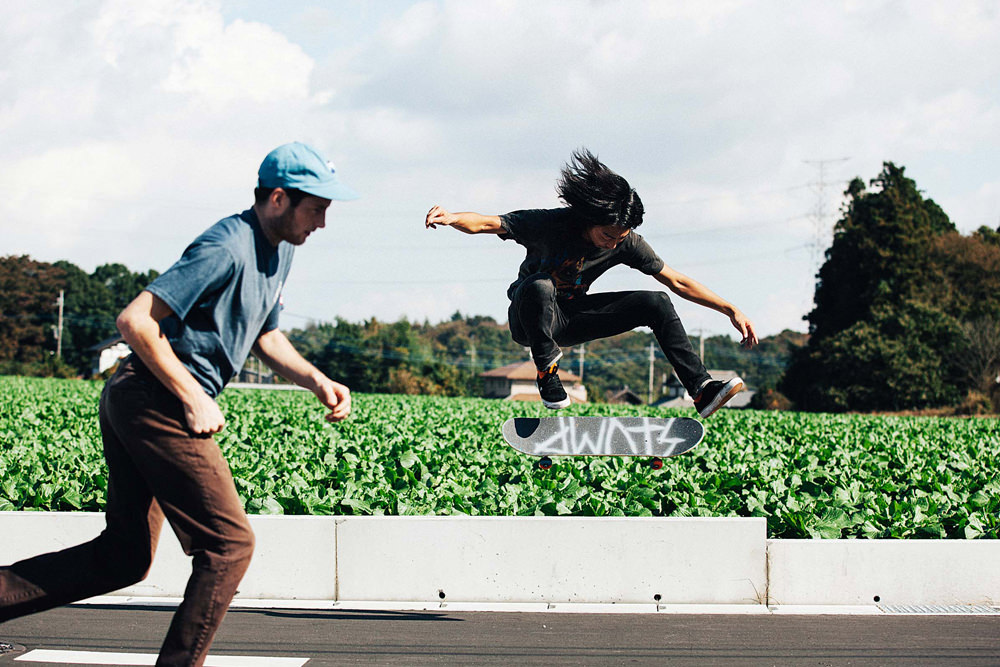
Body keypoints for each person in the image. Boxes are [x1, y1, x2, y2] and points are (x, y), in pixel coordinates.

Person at [0, 142, 357, 666]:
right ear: (279, 198)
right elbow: (134, 320)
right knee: (229, 546)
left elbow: (265, 334)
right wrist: (193, 395)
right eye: (317, 208)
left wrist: (317, 380)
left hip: (140, 397)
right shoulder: (226, 246)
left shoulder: (281, 249)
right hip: (156, 399)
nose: (323, 222)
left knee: (124, 557)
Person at [425, 148, 758, 416]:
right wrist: (452, 218)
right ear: (589, 219)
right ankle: (546, 374)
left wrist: (730, 309)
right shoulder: (550, 224)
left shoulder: (626, 242)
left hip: (571, 318)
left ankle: (701, 390)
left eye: (620, 238)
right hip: (529, 318)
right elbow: (487, 223)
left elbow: (678, 282)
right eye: (607, 235)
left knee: (656, 302)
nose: (612, 244)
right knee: (541, 285)